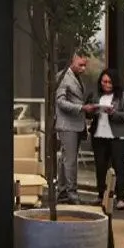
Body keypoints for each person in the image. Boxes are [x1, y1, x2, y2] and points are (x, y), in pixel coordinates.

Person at [51, 52, 95, 205]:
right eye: (80, 65)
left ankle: (63, 191)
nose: (83, 68)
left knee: (66, 160)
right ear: (71, 61)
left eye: (85, 65)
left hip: (76, 124)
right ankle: (72, 193)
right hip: (67, 124)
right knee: (70, 161)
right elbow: (60, 102)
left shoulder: (77, 78)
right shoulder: (63, 77)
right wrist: (82, 108)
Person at [90, 68, 124, 211]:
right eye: (104, 81)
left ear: (115, 83)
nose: (106, 84)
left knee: (118, 167)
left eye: (109, 82)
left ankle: (121, 197)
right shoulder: (96, 95)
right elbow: (89, 113)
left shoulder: (123, 97)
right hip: (99, 135)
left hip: (117, 137)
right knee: (100, 167)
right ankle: (101, 195)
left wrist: (113, 112)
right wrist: (92, 111)